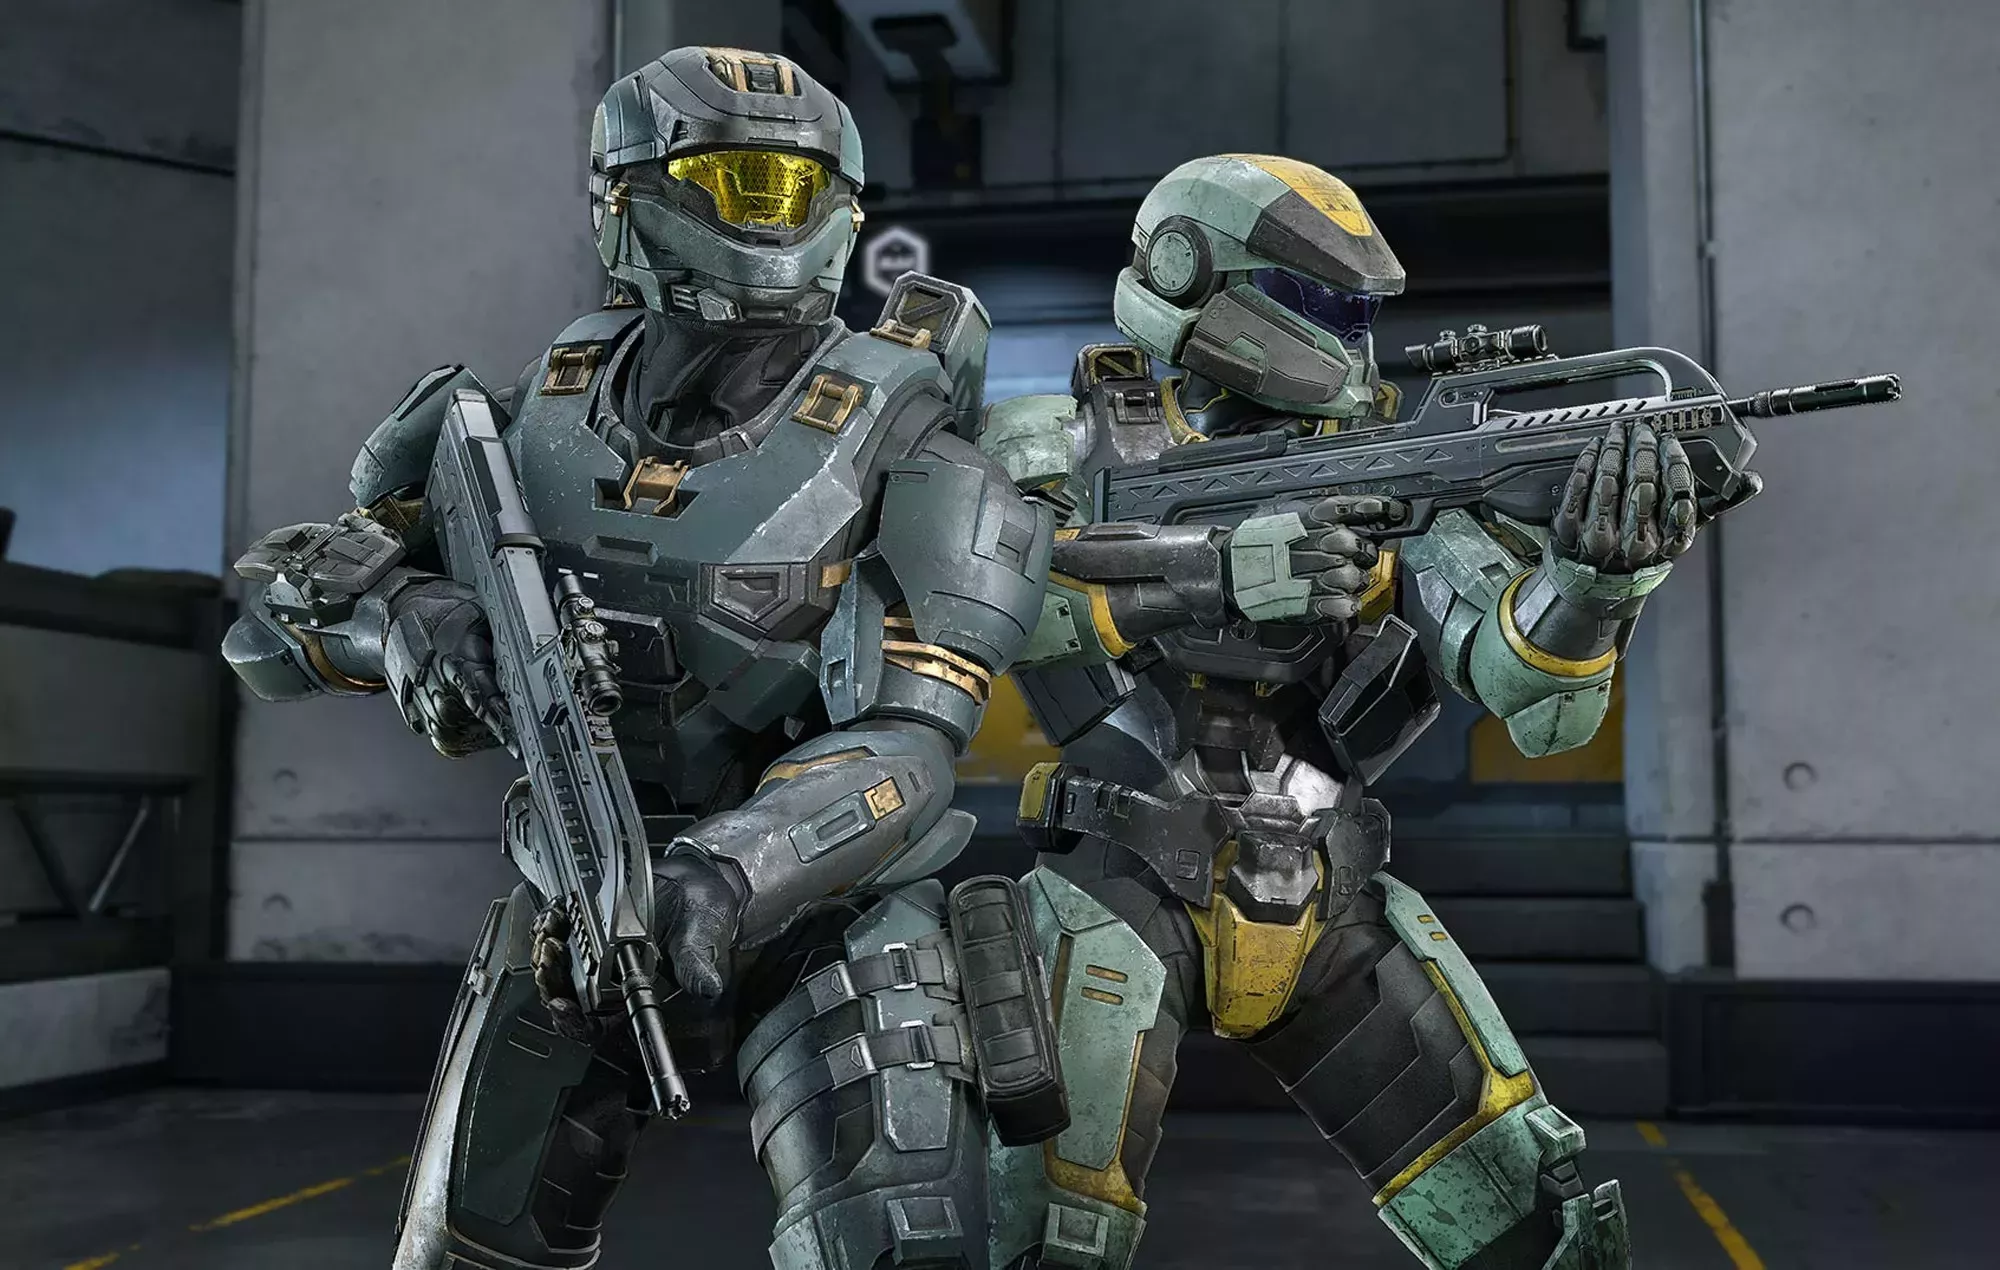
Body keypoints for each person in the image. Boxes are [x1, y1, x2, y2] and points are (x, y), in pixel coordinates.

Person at [223, 47, 1063, 1270]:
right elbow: (274, 619)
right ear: (625, 196)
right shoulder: (533, 411)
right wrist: (407, 623)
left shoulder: (910, 435)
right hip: (578, 896)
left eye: (792, 185)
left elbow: (907, 751)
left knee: (896, 1243)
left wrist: (726, 874)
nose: (768, 216)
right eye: (736, 181)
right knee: (462, 1253)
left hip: (825, 906)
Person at [968, 153, 1717, 1268]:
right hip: (1117, 884)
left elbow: (1531, 701)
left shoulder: (1382, 469)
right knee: (1048, 1235)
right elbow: (981, 612)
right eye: (1314, 301)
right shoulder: (1058, 444)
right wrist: (1213, 570)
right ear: (1191, 277)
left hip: (1325, 894)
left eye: (1357, 310)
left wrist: (1592, 588)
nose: (1347, 335)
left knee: (1536, 1222)